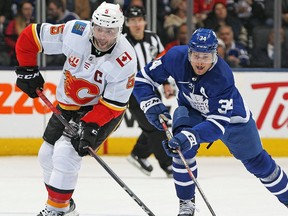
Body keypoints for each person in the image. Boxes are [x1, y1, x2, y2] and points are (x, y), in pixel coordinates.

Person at [133, 28, 288, 215]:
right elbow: (142, 79)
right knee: (182, 150)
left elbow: (217, 126)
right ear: (189, 51)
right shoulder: (175, 57)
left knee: (259, 163)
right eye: (196, 55)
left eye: (205, 57)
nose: (200, 61)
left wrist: (189, 136)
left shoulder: (223, 76)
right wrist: (150, 104)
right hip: (192, 110)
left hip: (232, 119)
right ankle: (186, 205)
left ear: (215, 55)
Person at [14, 2, 137, 216]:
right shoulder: (75, 31)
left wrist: (90, 126)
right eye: (99, 28)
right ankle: (65, 207)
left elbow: (114, 105)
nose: (103, 36)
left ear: (119, 30)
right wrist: (27, 69)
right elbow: (30, 36)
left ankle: (55, 210)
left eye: (110, 31)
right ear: (92, 25)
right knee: (46, 155)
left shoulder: (125, 58)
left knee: (65, 153)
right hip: (68, 105)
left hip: (102, 110)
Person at [123, 5, 174, 177]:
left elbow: (162, 62)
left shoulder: (153, 38)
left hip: (152, 88)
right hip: (131, 93)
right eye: (132, 21)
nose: (136, 24)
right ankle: (167, 164)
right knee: (156, 126)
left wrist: (166, 83)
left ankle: (139, 153)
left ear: (144, 21)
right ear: (127, 23)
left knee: (157, 123)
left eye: (139, 20)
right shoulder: (121, 41)